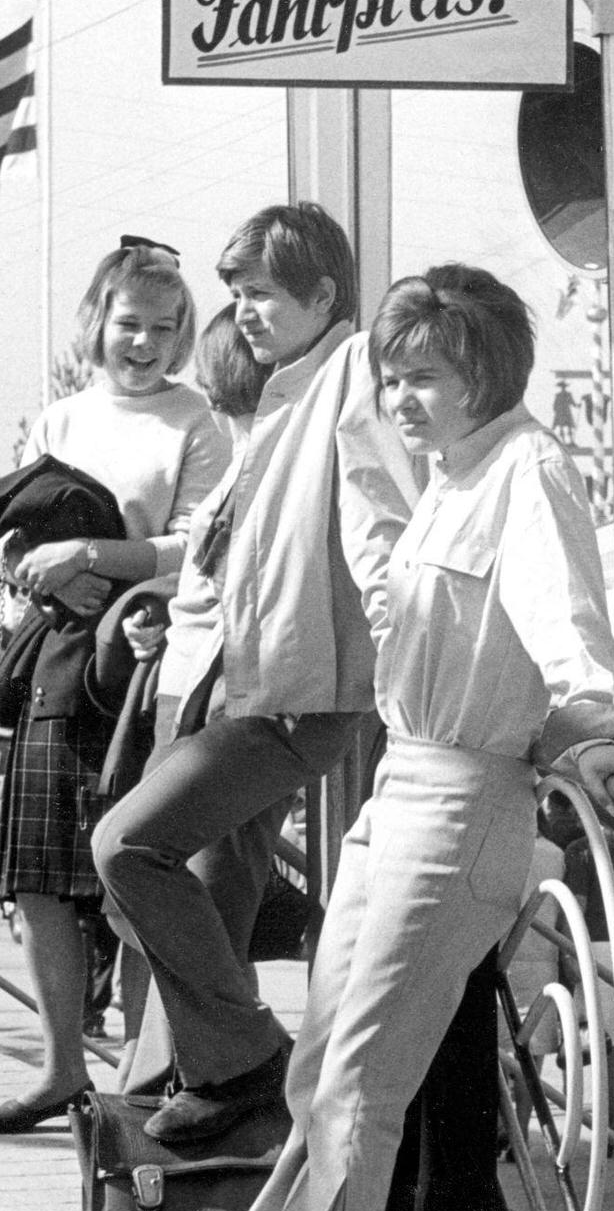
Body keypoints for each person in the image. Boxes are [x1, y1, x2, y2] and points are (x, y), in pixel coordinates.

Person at [107, 261, 614, 1211]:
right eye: (392, 377)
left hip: (461, 805)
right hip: (398, 792)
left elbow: (569, 636)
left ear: (482, 374)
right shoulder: (453, 475)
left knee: (355, 1090)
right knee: (315, 1079)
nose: (401, 398)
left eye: (426, 377)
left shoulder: (524, 476)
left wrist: (595, 736)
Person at [92, 204, 417, 1146]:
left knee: (128, 849)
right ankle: (192, 1109)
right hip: (242, 680)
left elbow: (385, 531)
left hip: (294, 694)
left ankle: (241, 1065)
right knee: (206, 885)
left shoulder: (349, 377)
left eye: (263, 294)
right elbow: (247, 545)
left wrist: (404, 678)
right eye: (235, 295)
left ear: (324, 295)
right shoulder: (286, 391)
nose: (243, 313)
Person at [0, 240, 227, 1133]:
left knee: (136, 866)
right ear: (98, 323)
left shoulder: (201, 421)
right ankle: (59, 1067)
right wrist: (44, 574)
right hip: (56, 659)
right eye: (129, 325)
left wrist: (93, 557)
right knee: (39, 874)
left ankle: (141, 1065)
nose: (145, 343)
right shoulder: (59, 420)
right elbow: (5, 538)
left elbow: (198, 542)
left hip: (151, 664)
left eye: (164, 328)